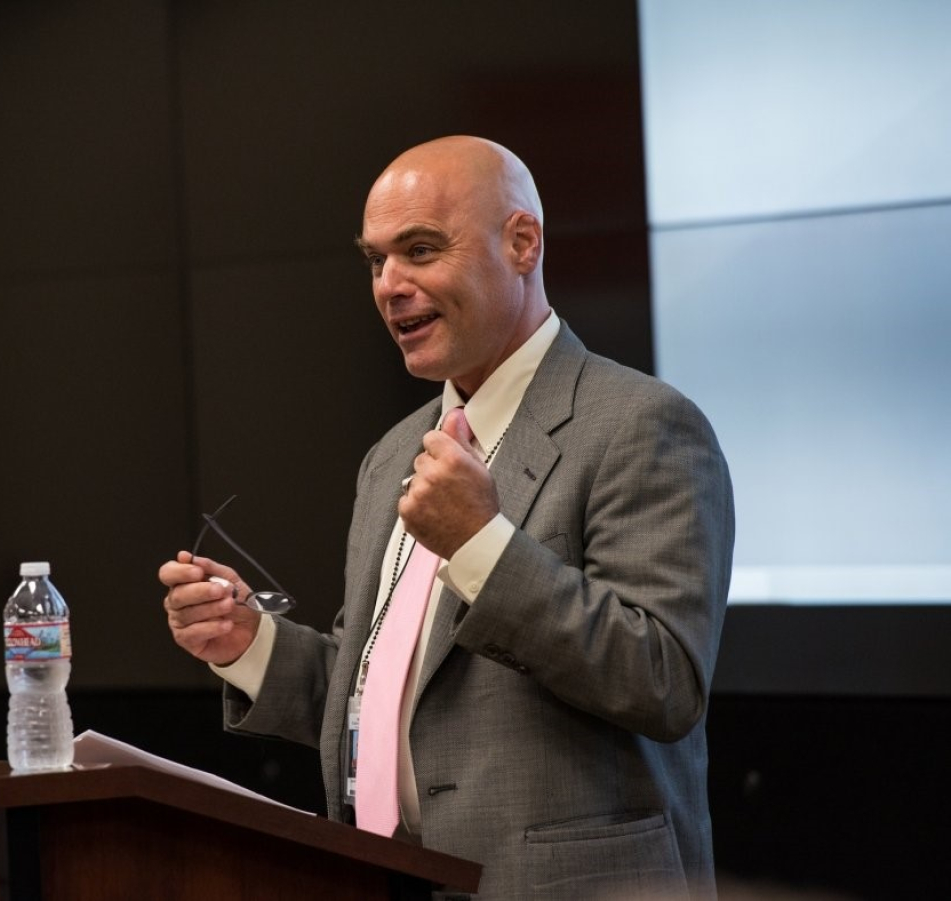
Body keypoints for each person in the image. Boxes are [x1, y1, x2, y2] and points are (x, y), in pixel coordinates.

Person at [159, 136, 734, 900]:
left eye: (420, 249)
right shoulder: (393, 454)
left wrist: (483, 544)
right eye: (375, 260)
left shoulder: (643, 425)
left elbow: (662, 681)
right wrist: (251, 645)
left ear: (521, 243)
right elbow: (388, 687)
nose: (390, 285)